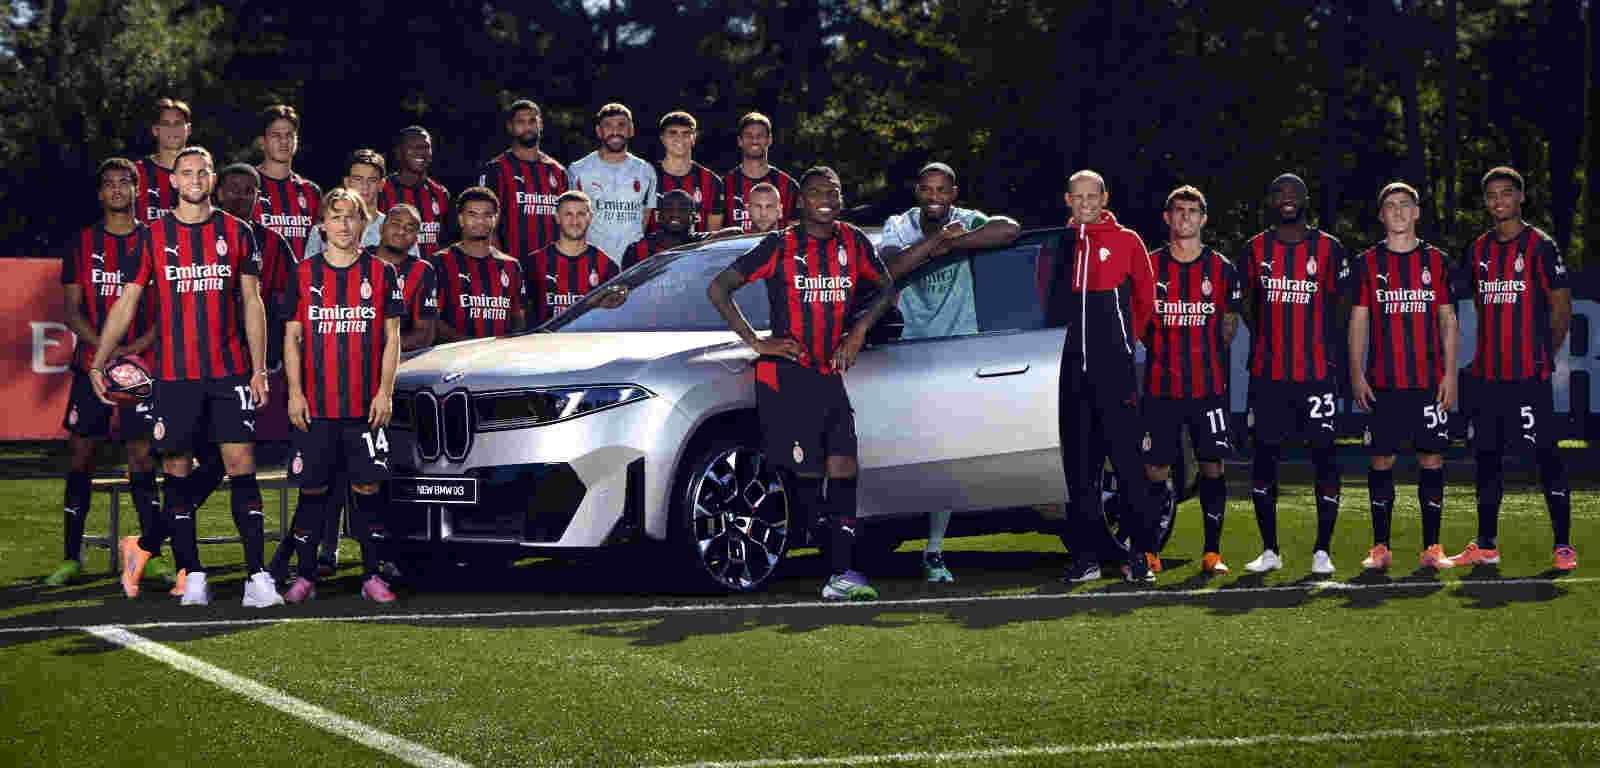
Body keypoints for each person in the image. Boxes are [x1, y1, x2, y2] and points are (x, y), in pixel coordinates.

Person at [88, 145, 279, 608]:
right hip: (175, 377)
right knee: (176, 472)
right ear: (172, 181)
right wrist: (99, 360)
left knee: (240, 467)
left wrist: (258, 367)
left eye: (203, 171)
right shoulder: (152, 235)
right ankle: (192, 575)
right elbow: (127, 302)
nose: (194, 178)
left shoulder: (238, 231)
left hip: (230, 370)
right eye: (186, 171)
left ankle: (258, 577)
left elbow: (253, 304)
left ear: (212, 178)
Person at [707, 166, 897, 601]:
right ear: (801, 200)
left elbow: (887, 290)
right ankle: (801, 569)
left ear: (841, 196)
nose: (824, 199)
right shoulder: (780, 245)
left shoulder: (854, 241)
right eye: (815, 193)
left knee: (845, 465)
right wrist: (758, 342)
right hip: (789, 377)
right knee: (805, 478)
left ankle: (842, 573)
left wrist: (858, 332)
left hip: (830, 376)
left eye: (832, 191)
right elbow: (719, 289)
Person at [876, 161, 1020, 582]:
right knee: (903, 444)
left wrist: (961, 241)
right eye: (928, 189)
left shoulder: (965, 219)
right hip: (907, 347)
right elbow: (890, 266)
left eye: (943, 190)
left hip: (958, 348)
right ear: (917, 191)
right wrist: (939, 242)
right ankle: (883, 533)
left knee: (945, 450)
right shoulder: (899, 225)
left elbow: (1009, 228)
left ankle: (934, 549)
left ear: (953, 193)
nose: (935, 197)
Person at [280, 188, 405, 603]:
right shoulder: (303, 273)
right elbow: (292, 338)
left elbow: (392, 339)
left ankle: (371, 575)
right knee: (312, 491)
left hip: (364, 406)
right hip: (316, 406)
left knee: (367, 492)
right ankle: (305, 577)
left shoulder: (382, 274)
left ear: (365, 224)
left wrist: (384, 393)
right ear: (322, 225)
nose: (344, 225)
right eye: (336, 218)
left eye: (352, 217)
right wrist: (295, 393)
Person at [47, 158, 166, 590]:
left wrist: (135, 350)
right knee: (81, 458)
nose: (117, 190)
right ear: (100, 193)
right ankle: (70, 559)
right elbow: (71, 311)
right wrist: (104, 350)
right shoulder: (81, 243)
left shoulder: (154, 240)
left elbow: (163, 311)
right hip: (91, 369)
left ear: (137, 190)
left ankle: (150, 555)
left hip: (140, 371)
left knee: (141, 458)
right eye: (109, 184)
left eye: (125, 183)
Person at [1451, 167, 1576, 571]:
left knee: (1546, 457)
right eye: (1491, 195)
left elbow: (1561, 308)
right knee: (1487, 459)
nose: (1498, 201)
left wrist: (1546, 356)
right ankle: (1487, 543)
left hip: (1529, 374)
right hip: (1488, 377)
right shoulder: (1479, 249)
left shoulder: (1541, 246)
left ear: (1520, 197)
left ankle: (1563, 547)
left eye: (1506, 193)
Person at [1047, 170, 1160, 584]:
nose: (1086, 203)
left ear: (1104, 197)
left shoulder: (1128, 241)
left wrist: (1126, 344)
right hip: (1071, 374)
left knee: (1129, 466)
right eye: (1078, 197)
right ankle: (1086, 558)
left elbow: (1146, 301)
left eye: (1092, 196)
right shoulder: (1060, 245)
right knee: (1079, 470)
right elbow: (1049, 301)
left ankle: (1141, 556)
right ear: (1068, 200)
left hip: (1114, 371)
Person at [1238, 173, 1353, 576]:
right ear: (1271, 201)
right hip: (1269, 377)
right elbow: (1248, 307)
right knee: (1265, 459)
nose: (1287, 200)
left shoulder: (1330, 249)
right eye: (1279, 194)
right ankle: (1270, 550)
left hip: (1317, 374)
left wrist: (1320, 345)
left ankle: (1323, 550)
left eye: (1294, 194)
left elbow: (1341, 310)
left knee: (1324, 458)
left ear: (1306, 199)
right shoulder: (1254, 249)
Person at [1348, 182, 1459, 570]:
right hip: (1383, 382)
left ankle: (1433, 547)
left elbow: (1448, 320)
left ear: (1416, 212)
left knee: (1431, 458)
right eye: (1390, 206)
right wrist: (1357, 375)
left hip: (1429, 381)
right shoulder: (1366, 263)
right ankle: (1380, 547)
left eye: (1404, 205)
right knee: (1381, 460)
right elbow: (1359, 321)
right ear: (1381, 215)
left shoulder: (1438, 262)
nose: (1397, 211)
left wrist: (1450, 375)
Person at [1139, 185, 1241, 575]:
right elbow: (1144, 326)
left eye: (1192, 211)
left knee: (1212, 466)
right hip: (1162, 388)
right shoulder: (1149, 266)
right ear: (1168, 218)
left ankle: (1212, 553)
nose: (1185, 217)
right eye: (1178, 211)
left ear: (1203, 218)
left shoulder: (1222, 269)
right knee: (1155, 470)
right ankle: (1150, 552)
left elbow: (1228, 329)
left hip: (1208, 388)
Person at [431, 187, 526, 340]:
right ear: (461, 219)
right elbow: (432, 320)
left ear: (496, 219)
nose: (480, 221)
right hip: (454, 357)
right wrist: (470, 347)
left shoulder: (511, 266)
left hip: (500, 358)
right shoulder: (440, 262)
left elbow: (518, 319)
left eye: (487, 215)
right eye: (472, 215)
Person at [479, 99, 567, 259]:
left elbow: (567, 226)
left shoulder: (558, 171)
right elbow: (486, 227)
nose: (527, 127)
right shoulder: (496, 169)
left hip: (552, 268)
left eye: (532, 121)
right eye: (521, 122)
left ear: (540, 125)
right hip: (512, 267)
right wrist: (501, 265)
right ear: (510, 127)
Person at [567, 103, 655, 263]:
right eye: (608, 126)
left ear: (631, 130)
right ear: (598, 131)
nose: (615, 131)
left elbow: (645, 219)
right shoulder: (578, 170)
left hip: (633, 264)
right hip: (591, 263)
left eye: (622, 125)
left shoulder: (646, 171)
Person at [522, 191, 619, 326]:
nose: (574, 221)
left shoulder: (607, 265)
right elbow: (522, 315)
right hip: (545, 345)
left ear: (590, 217)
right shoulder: (534, 263)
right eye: (568, 214)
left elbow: (612, 317)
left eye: (581, 214)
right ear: (557, 217)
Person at [306, 150, 419, 262]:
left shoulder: (398, 228)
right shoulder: (322, 230)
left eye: (372, 180)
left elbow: (414, 270)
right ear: (347, 182)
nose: (365, 186)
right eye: (358, 179)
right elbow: (308, 273)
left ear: (381, 184)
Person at [255, 104, 322, 262]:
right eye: (276, 135)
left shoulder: (311, 191)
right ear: (262, 141)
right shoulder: (247, 185)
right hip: (260, 284)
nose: (284, 141)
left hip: (304, 283)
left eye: (289, 135)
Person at [619, 189, 740, 270]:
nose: (675, 214)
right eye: (668, 209)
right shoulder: (636, 250)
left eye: (682, 209)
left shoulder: (699, 241)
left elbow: (736, 232)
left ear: (694, 217)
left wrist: (698, 246)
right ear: (658, 216)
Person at [379, 126, 451, 260]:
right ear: (399, 153)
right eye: (413, 147)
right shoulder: (382, 190)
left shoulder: (440, 193)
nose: (421, 152)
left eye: (425, 147)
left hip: (432, 276)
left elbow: (447, 241)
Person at [723, 113, 799, 232]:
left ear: (769, 140)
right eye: (749, 135)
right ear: (739, 140)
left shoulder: (788, 185)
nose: (754, 140)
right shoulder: (723, 185)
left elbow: (796, 233)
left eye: (760, 135)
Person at [650, 111, 724, 233]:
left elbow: (713, 237)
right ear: (662, 138)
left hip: (696, 251)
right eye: (673, 133)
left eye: (686, 133)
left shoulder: (712, 181)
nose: (679, 138)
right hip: (655, 251)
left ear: (694, 138)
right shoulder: (646, 177)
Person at [136, 98, 190, 223]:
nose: (172, 129)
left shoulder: (203, 172)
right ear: (155, 130)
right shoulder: (136, 172)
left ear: (188, 129)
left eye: (178, 123)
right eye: (165, 124)